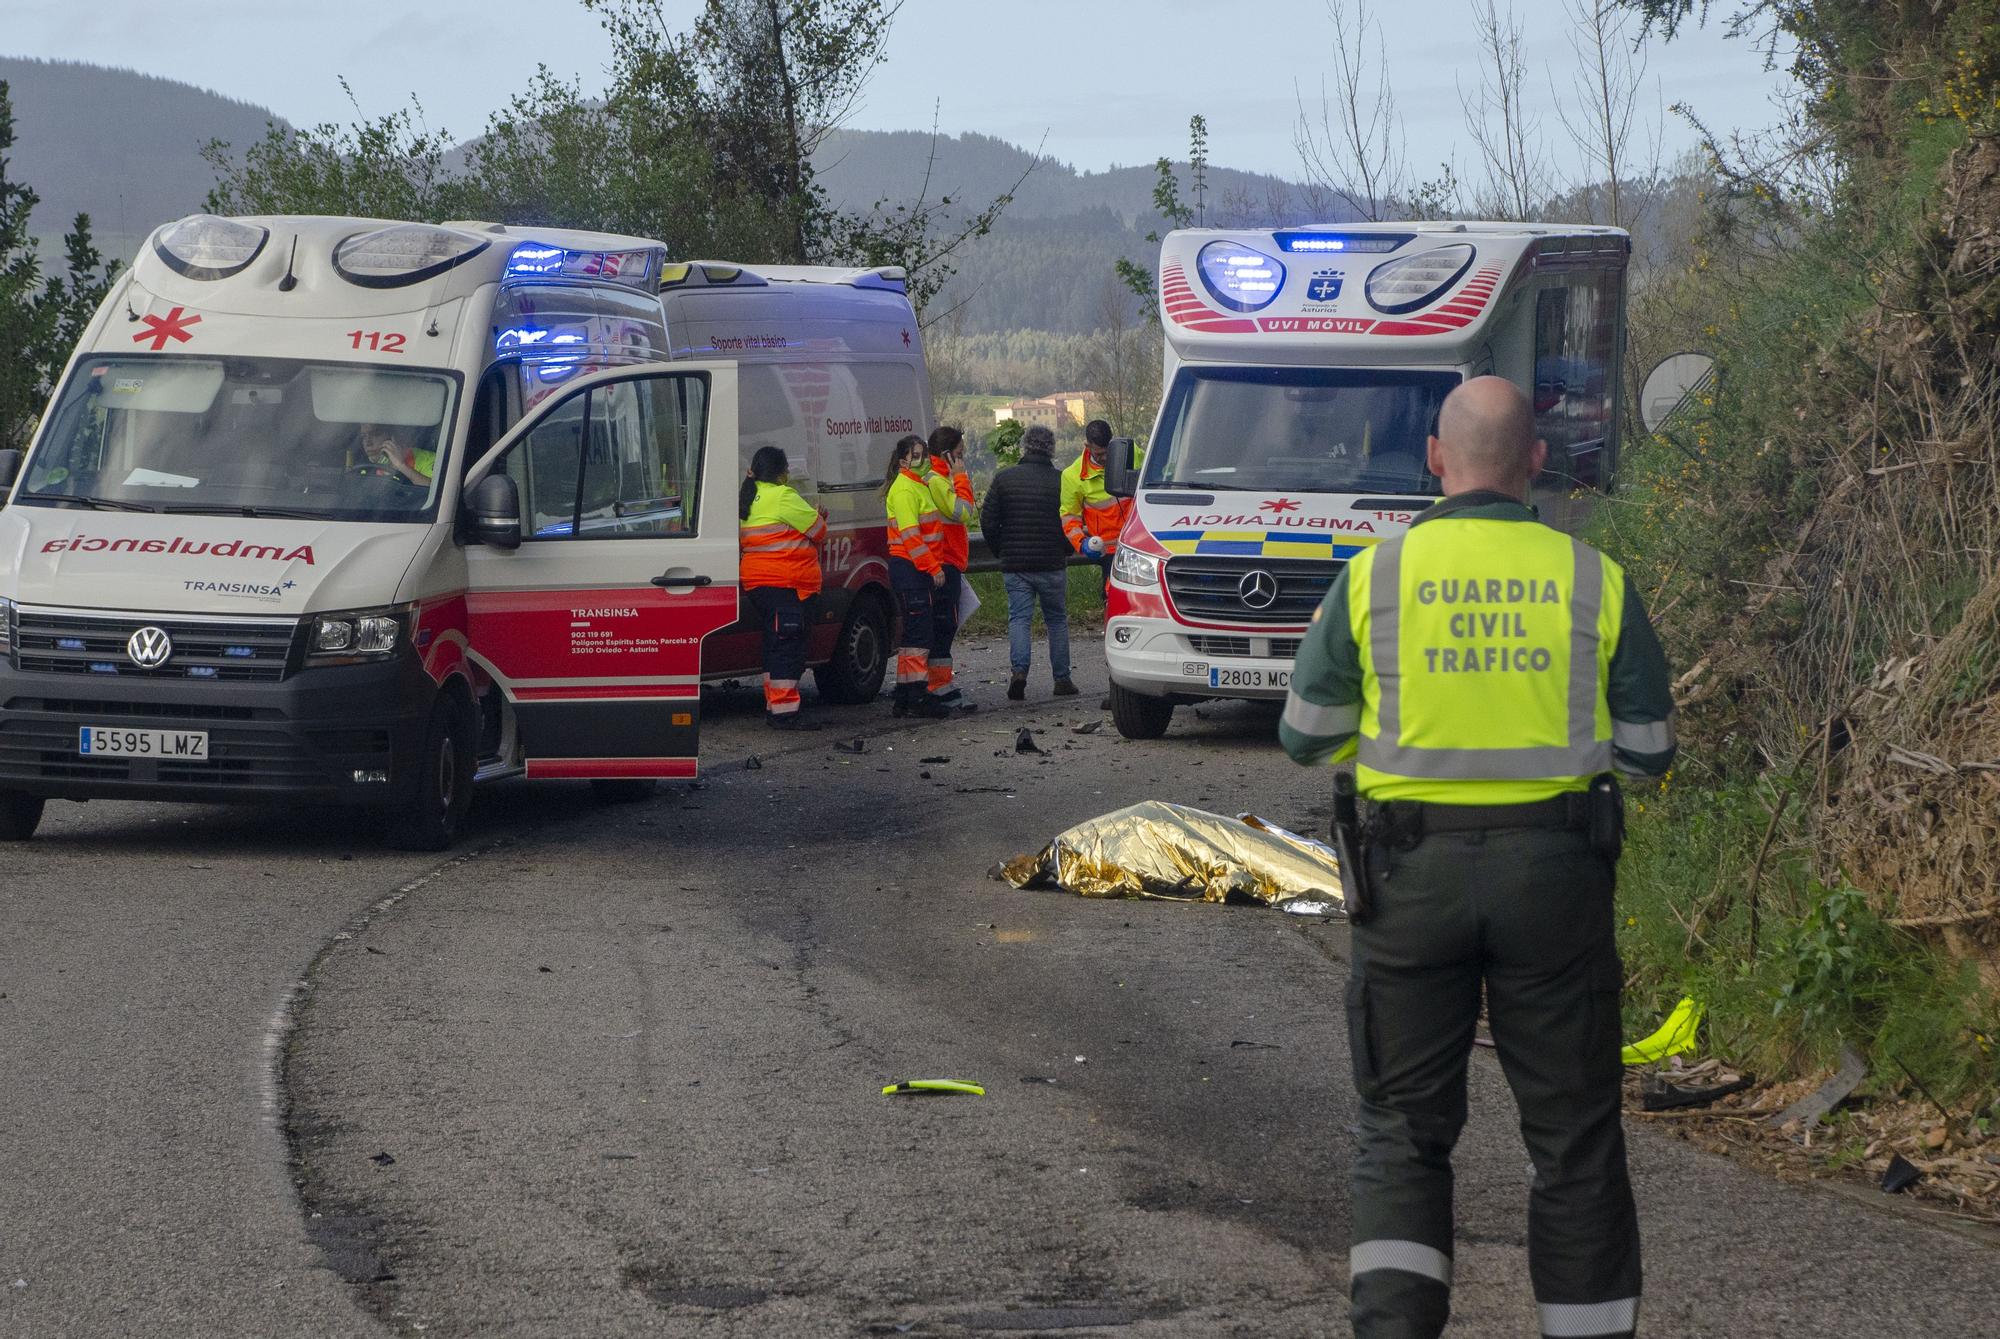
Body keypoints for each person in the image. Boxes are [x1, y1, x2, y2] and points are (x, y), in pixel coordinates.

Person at [1278, 376, 1676, 1339]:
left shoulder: (1374, 577)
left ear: (1436, 461)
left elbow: (1307, 735)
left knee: (1403, 1134)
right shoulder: (1592, 576)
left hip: (1409, 882)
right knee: (1575, 1141)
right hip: (1557, 877)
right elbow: (1650, 750)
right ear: (1536, 460)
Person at [980, 423, 1077, 701]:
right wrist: (1066, 548)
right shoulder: (1062, 481)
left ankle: (1019, 672)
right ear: (1052, 449)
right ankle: (1062, 679)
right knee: (1056, 621)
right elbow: (1071, 519)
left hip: (1016, 565)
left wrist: (1002, 549)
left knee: (1019, 620)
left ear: (1025, 447)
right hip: (1052, 563)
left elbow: (988, 520)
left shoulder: (1003, 478)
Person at [738, 446, 829, 731]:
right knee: (788, 647)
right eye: (786, 469)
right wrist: (819, 516)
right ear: (780, 473)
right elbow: (819, 531)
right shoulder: (783, 496)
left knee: (775, 644)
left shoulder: (751, 497)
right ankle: (784, 712)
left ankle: (775, 705)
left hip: (759, 583)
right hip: (785, 581)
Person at [881, 433, 953, 719]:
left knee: (914, 635)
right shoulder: (905, 490)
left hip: (914, 568)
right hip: (912, 568)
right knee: (920, 635)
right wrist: (933, 568)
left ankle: (906, 694)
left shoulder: (915, 485)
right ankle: (916, 696)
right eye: (918, 455)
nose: (923, 460)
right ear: (904, 461)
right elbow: (912, 537)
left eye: (924, 453)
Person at [924, 425, 979, 709]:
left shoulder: (935, 476)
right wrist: (961, 479)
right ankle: (939, 685)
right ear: (947, 455)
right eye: (959, 455)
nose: (962, 461)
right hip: (946, 561)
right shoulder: (938, 480)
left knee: (943, 624)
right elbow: (963, 513)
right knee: (944, 625)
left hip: (945, 560)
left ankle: (938, 683)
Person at [1060, 418, 1131, 585]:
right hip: (1108, 551)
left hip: (1137, 543)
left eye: (1108, 451)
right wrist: (1082, 543)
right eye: (1099, 454)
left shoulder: (1131, 454)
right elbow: (1070, 518)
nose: (1105, 458)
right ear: (1087, 446)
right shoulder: (1073, 476)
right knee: (1112, 595)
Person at [358, 423, 435, 485]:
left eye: (375, 434)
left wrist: (401, 465)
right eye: (363, 437)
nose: (368, 443)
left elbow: (438, 495)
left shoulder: (430, 460)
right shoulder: (364, 468)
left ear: (393, 436)